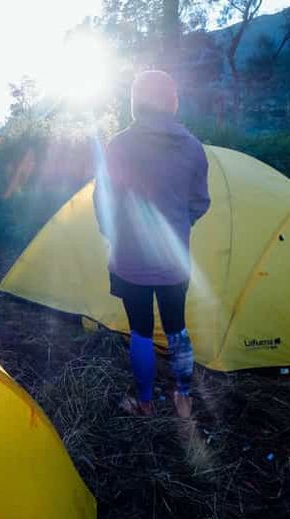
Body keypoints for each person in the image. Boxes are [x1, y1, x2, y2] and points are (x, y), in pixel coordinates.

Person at [94, 70, 210, 418]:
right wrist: (179, 225)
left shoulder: (119, 145)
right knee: (177, 328)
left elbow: (103, 201)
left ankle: (145, 402)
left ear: (136, 102)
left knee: (141, 332)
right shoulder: (193, 148)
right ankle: (183, 398)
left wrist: (114, 234)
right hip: (174, 260)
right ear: (172, 102)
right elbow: (200, 202)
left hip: (130, 259)